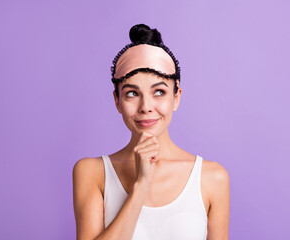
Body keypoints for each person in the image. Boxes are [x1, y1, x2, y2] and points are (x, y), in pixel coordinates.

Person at [72, 23, 230, 240]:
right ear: (117, 101)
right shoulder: (92, 173)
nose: (146, 106)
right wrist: (140, 185)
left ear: (176, 97)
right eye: (131, 94)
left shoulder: (212, 178)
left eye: (159, 91)